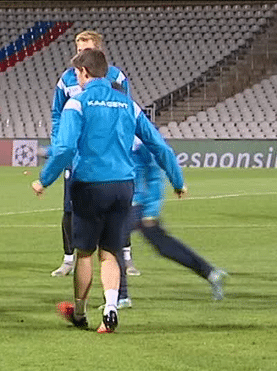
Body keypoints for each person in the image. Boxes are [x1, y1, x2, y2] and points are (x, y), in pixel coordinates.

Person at [32, 49, 186, 333]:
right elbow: (159, 146)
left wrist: (45, 179)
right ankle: (112, 307)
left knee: (86, 254)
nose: (76, 78)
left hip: (89, 184)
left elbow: (65, 148)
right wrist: (177, 181)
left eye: (77, 73)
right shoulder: (129, 105)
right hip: (123, 187)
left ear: (85, 73)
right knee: (111, 253)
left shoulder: (77, 103)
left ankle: (79, 313)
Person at [49, 30, 139, 277]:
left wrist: (125, 144)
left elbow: (127, 111)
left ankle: (126, 255)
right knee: (70, 208)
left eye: (85, 50)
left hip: (111, 153)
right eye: (78, 50)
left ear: (98, 52)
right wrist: (59, 142)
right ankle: (69, 259)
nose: (80, 55)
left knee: (119, 206)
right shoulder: (67, 79)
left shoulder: (116, 77)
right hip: (77, 155)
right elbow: (57, 113)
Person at [114, 138, 228, 308]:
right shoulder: (116, 132)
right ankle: (210, 273)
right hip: (121, 200)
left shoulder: (139, 140)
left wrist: (151, 210)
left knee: (112, 244)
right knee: (164, 246)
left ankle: (121, 296)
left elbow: (154, 175)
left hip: (135, 204)